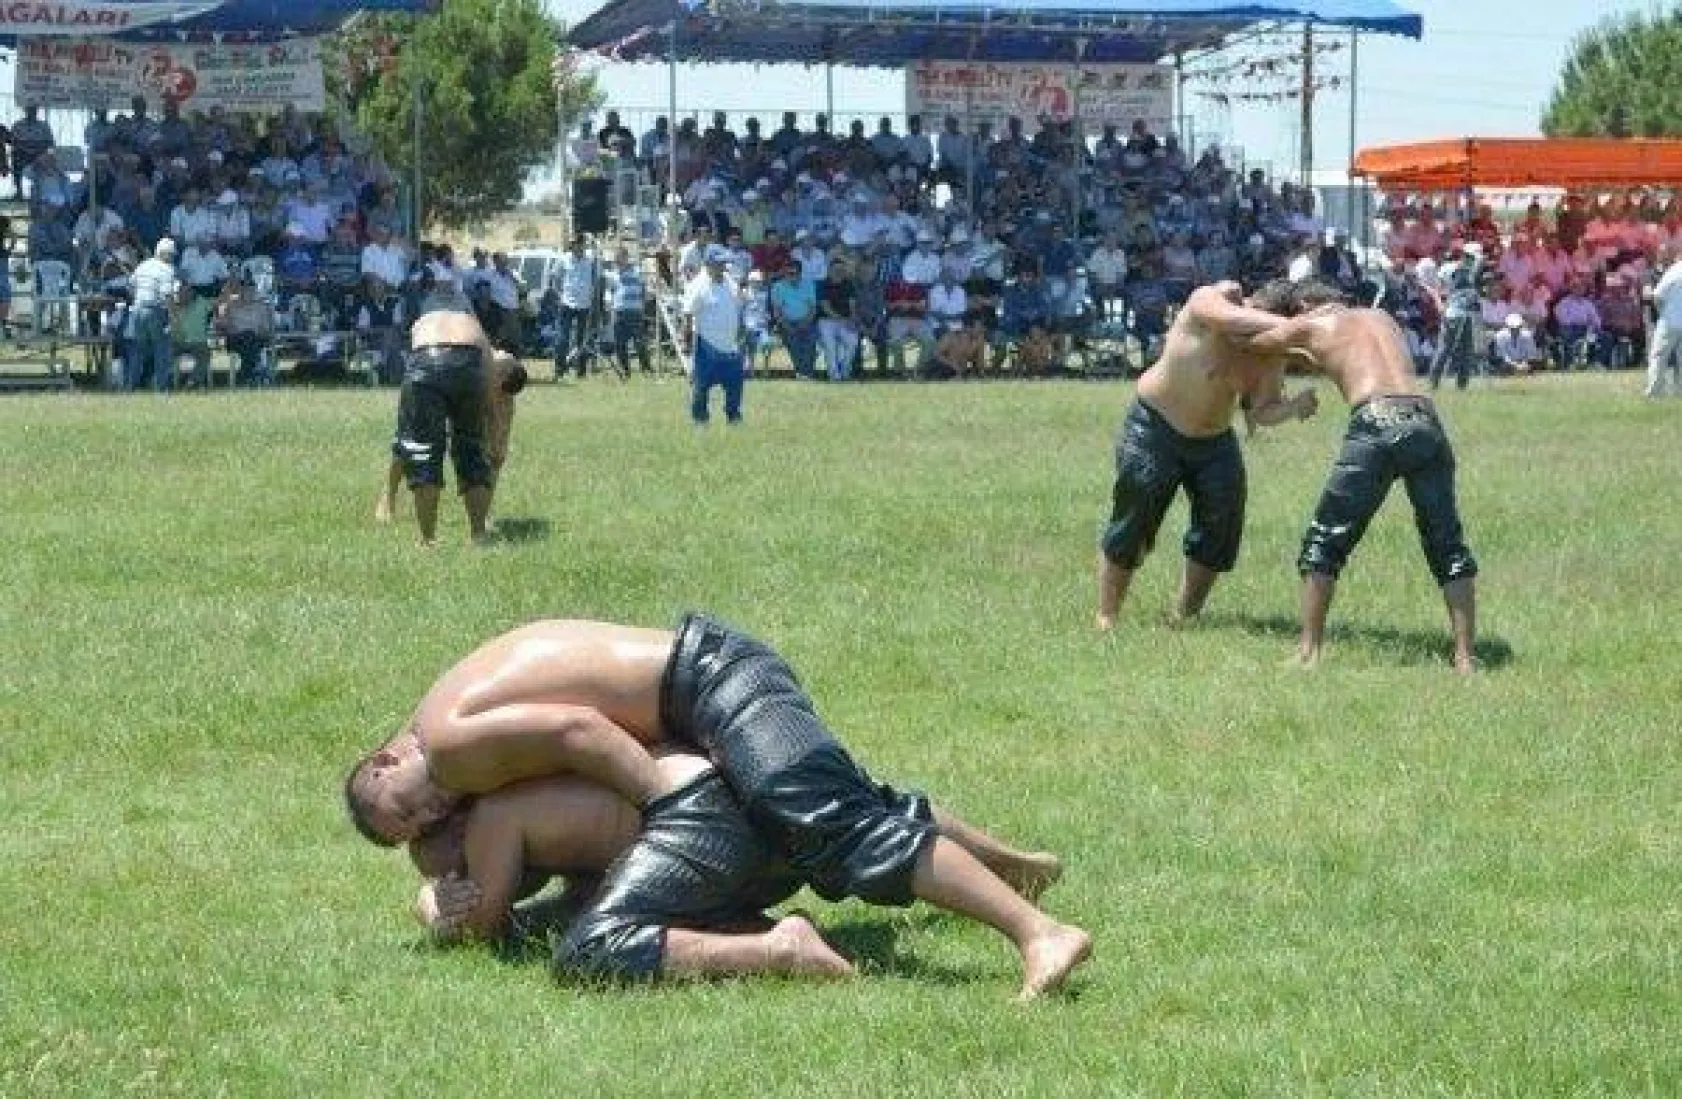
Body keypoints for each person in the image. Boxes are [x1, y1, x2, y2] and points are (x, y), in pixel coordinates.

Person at [343, 615, 1090, 1000]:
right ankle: (1016, 870)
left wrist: (654, 800)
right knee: (839, 804)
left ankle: (1038, 931)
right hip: (704, 684)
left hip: (709, 684)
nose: (429, 812)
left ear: (385, 761)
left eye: (405, 810)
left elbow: (579, 730)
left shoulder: (445, 743)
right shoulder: (456, 708)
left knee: (830, 822)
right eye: (418, 828)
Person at [1243, 282, 1479, 673]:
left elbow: (1257, 341)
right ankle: (1466, 657)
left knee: (1325, 539)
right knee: (1447, 542)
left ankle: (1309, 652)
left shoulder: (1310, 326)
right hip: (1425, 419)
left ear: (1306, 306)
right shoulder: (1381, 317)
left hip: (1375, 421)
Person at [1095, 280, 1317, 630]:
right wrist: (1299, 330)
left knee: (1221, 523)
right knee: (1135, 514)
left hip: (1214, 441)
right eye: (1253, 318)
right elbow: (1227, 318)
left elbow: (1262, 410)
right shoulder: (1211, 301)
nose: (1249, 333)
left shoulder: (1270, 355)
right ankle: (1107, 616)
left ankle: (1184, 615)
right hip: (1155, 425)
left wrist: (1293, 407)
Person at [384, 303, 498, 546]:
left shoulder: (422, 323)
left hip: (425, 362)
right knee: (472, 449)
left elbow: (411, 368)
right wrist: (490, 416)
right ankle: (478, 534)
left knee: (423, 451)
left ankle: (427, 540)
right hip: (469, 364)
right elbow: (488, 373)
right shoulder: (472, 324)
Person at [378, 348, 525, 532]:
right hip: (435, 374)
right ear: (497, 375)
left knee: (493, 451)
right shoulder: (485, 365)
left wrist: (484, 514)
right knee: (411, 440)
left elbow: (497, 455)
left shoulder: (505, 393)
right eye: (499, 392)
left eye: (505, 397)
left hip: (470, 387)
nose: (501, 399)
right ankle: (388, 497)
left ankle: (482, 513)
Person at [682, 245, 746, 424]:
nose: (723, 266)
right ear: (708, 263)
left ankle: (733, 416)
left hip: (730, 344)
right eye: (719, 263)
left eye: (724, 263)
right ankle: (700, 420)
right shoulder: (697, 285)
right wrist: (686, 342)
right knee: (701, 386)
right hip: (707, 344)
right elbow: (688, 314)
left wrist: (740, 330)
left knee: (735, 384)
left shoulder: (729, 280)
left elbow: (737, 304)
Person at [1647, 247, 1682, 398]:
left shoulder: (1674, 270)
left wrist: (1662, 313)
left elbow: (1657, 296)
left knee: (1658, 357)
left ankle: (1654, 392)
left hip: (1670, 321)